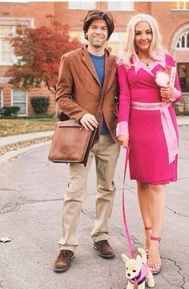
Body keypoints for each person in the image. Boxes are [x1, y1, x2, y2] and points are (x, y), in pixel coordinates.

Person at [53, 9, 120, 273]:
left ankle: (100, 236)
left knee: (107, 189)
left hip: (109, 137)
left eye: (103, 28)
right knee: (74, 193)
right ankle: (67, 246)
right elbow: (62, 96)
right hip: (81, 138)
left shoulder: (116, 62)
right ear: (86, 31)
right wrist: (81, 115)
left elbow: (122, 96)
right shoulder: (70, 59)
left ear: (108, 33)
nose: (98, 32)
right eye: (94, 27)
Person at [116, 14, 182, 275]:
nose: (144, 38)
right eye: (139, 33)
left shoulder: (166, 60)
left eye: (148, 32)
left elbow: (177, 93)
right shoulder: (124, 62)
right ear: (132, 35)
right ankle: (146, 232)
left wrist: (171, 93)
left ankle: (155, 243)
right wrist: (123, 128)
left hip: (160, 125)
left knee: (157, 184)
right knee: (142, 182)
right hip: (136, 127)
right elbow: (123, 96)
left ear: (154, 34)